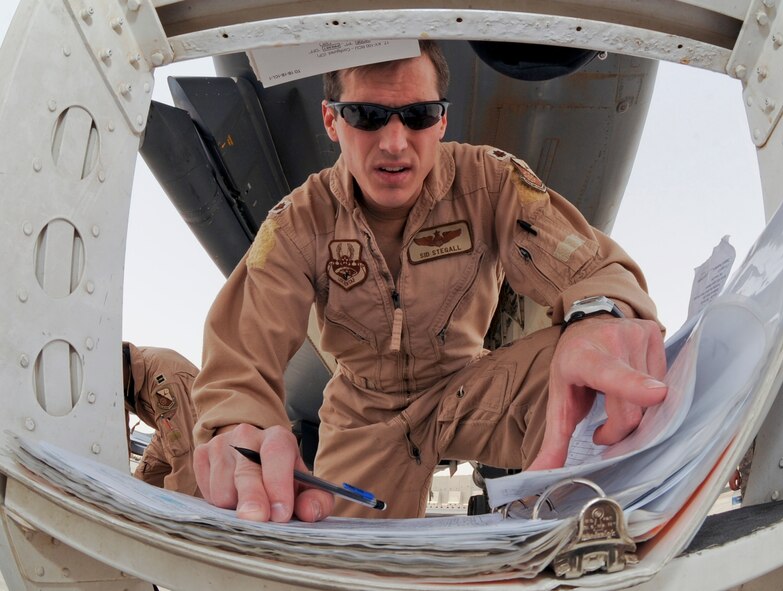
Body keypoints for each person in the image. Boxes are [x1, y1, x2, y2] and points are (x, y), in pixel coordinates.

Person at [192, 40, 668, 522]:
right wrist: (239, 427)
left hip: (470, 386)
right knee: (339, 560)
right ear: (332, 120)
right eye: (366, 115)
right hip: (363, 415)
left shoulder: (490, 182)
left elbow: (590, 268)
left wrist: (600, 314)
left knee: (591, 374)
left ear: (441, 121)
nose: (395, 142)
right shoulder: (300, 223)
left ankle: (572, 536)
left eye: (418, 115)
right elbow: (240, 353)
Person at [123, 342, 200, 496]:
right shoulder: (119, 377)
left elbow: (184, 451)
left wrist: (172, 507)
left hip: (198, 432)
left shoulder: (162, 381)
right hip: (167, 429)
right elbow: (119, 433)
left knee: (186, 487)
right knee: (140, 485)